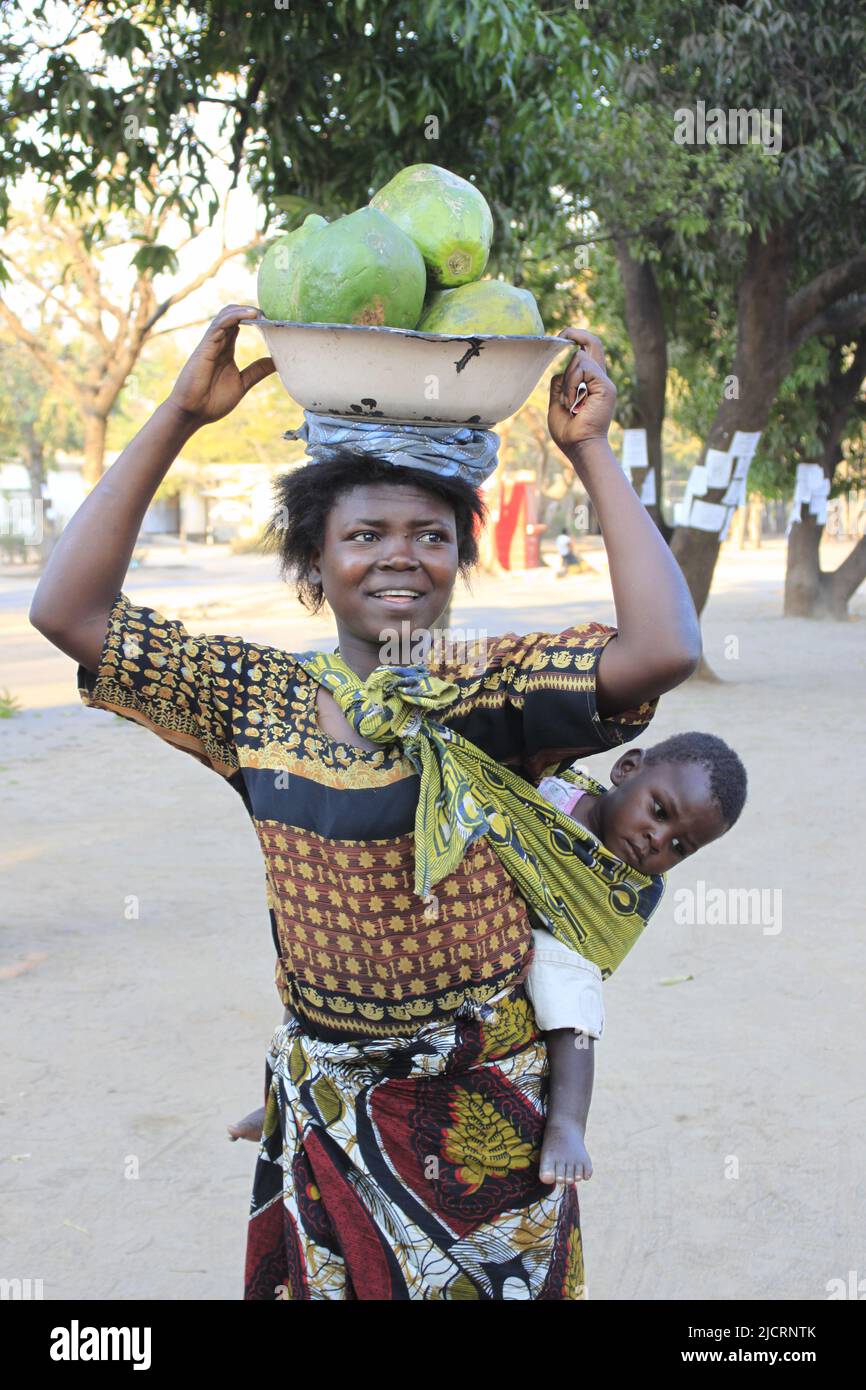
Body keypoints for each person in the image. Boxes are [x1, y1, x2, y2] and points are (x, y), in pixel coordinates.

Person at [30, 306, 705, 1300]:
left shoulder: (493, 691)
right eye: (365, 533)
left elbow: (661, 649)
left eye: (430, 534)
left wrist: (591, 449)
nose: (401, 554)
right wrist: (178, 414)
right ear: (314, 564)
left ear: (456, 562)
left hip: (488, 1127)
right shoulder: (254, 700)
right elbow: (68, 613)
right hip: (333, 1115)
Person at [229, 732, 748, 1188]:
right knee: (336, 959)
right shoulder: (551, 785)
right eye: (659, 811)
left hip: (545, 939)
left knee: (571, 992)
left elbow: (596, 935)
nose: (657, 840)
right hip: (462, 903)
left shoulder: (624, 889)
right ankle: (279, 1094)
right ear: (626, 769)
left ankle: (568, 1122)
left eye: (680, 845)